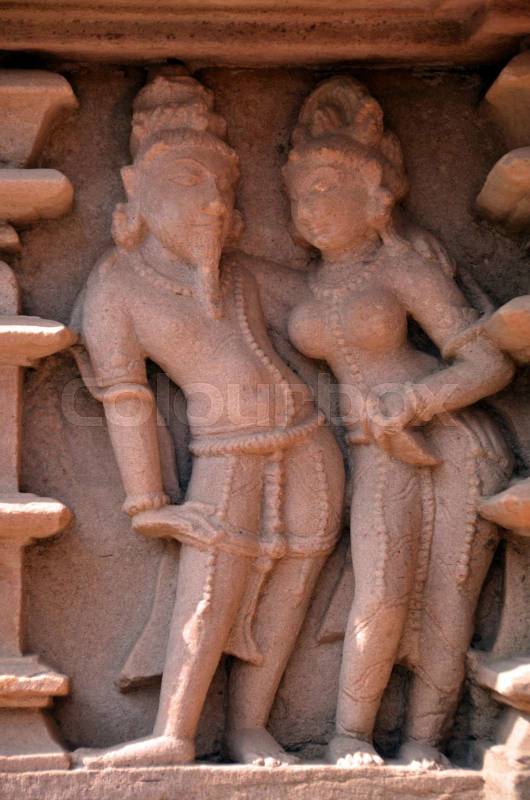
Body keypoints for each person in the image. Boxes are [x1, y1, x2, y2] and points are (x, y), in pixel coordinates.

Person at [75, 69, 344, 768]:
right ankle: (174, 732)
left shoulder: (239, 274)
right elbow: (127, 401)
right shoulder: (116, 288)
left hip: (310, 447)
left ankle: (251, 726)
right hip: (226, 456)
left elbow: (326, 299)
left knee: (289, 591)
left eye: (223, 187)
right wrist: (149, 506)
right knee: (209, 592)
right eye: (190, 181)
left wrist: (390, 256)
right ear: (136, 189)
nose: (214, 204)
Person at [283, 76, 514, 769]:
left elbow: (489, 362)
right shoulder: (303, 282)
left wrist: (414, 403)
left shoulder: (405, 268)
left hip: (453, 442)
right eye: (299, 196)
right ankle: (350, 735)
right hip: (374, 447)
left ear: (376, 196)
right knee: (380, 590)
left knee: (447, 594)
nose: (310, 208)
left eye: (326, 190)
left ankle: (423, 741)